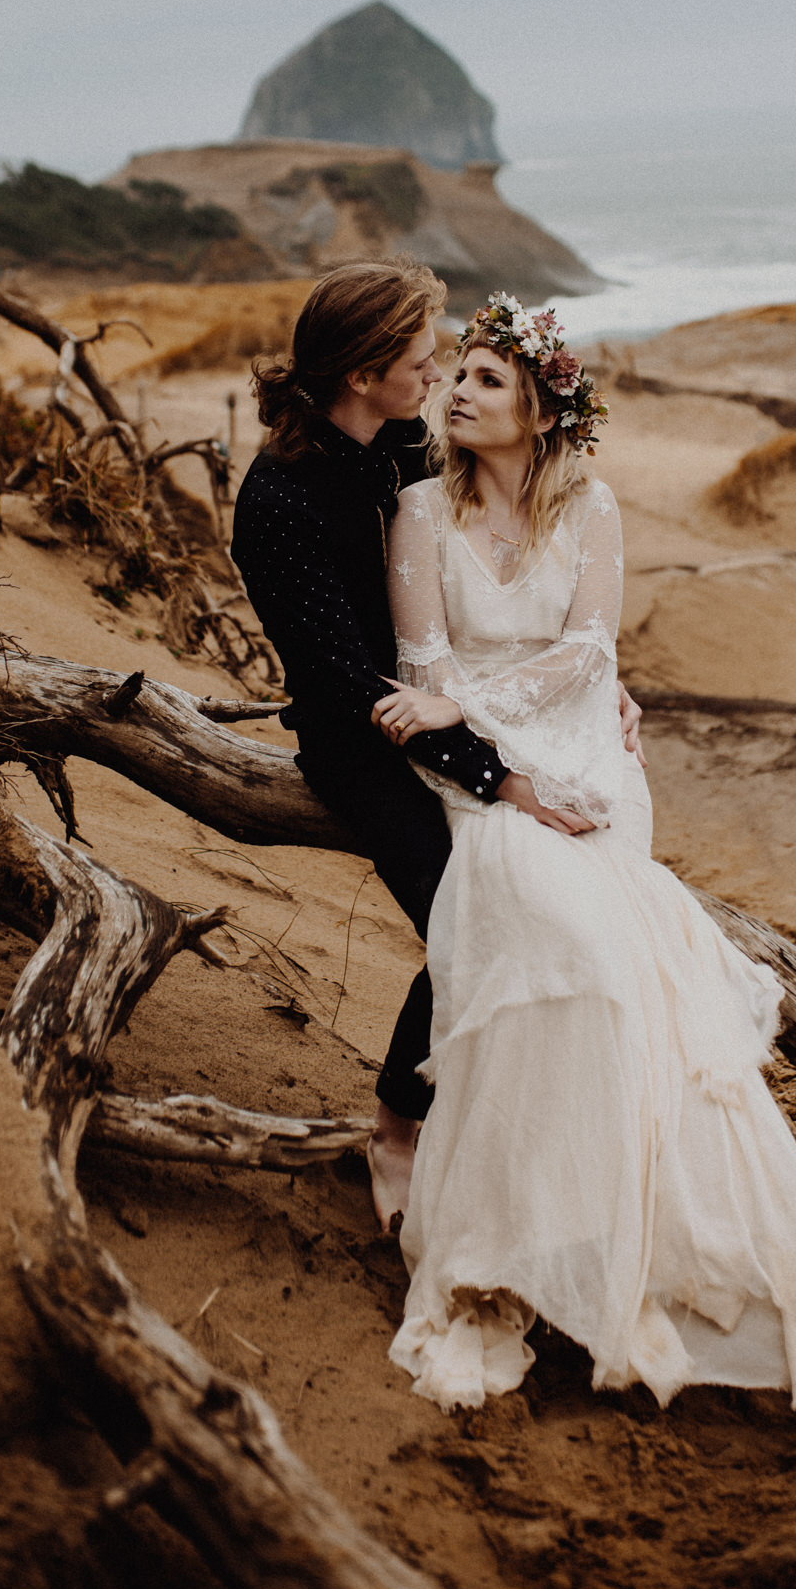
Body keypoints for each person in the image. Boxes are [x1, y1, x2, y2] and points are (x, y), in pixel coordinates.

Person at [373, 291, 796, 1413]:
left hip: (585, 748)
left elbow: (589, 646)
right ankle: (515, 1230)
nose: (457, 390)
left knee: (621, 958)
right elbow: (421, 665)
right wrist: (484, 745)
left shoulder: (590, 506)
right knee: (548, 926)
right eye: (454, 373)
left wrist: (527, 719)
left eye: (485, 380)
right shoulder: (416, 507)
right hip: (471, 760)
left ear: (543, 407)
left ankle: (615, 1224)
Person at [231, 261, 644, 1232]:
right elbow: (347, 686)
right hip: (361, 749)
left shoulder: (397, 442)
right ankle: (396, 1124)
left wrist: (593, 685)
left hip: (458, 715)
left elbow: (478, 573)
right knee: (471, 920)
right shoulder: (278, 501)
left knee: (557, 893)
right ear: (365, 370)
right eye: (420, 356)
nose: (437, 370)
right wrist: (504, 779)